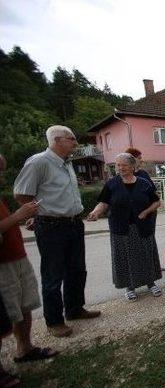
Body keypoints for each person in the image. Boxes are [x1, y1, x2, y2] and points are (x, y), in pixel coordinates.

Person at [14, 125, 100, 338]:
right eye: (71, 139)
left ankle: (74, 309)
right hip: (51, 226)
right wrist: (38, 212)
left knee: (77, 270)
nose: (75, 143)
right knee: (53, 275)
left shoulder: (67, 163)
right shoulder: (39, 162)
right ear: (57, 140)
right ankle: (54, 321)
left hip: (73, 223)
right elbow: (21, 193)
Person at [1, 153, 58, 366]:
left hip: (17, 256)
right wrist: (17, 216)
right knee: (9, 309)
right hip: (4, 263)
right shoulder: (38, 162)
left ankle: (25, 348)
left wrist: (21, 219)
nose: (2, 176)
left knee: (24, 304)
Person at [87, 153, 162, 301]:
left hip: (142, 227)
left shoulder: (144, 183)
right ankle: (129, 287)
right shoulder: (111, 184)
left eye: (124, 165)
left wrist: (146, 212)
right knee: (124, 257)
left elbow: (156, 202)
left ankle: (150, 283)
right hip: (120, 228)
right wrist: (95, 213)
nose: (120, 168)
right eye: (118, 165)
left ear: (133, 166)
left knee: (145, 254)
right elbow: (103, 203)